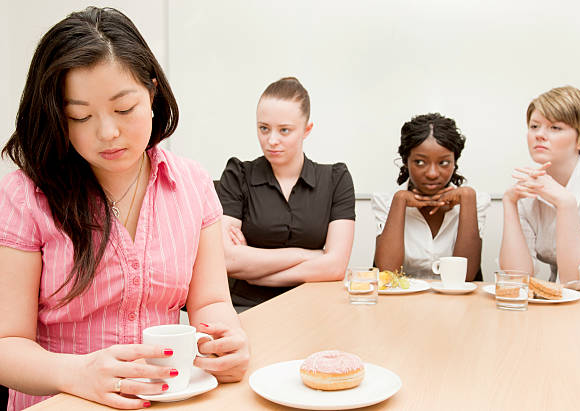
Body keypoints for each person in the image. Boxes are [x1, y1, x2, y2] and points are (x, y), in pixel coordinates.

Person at [0, 7, 248, 411]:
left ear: (151, 93)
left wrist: (227, 341)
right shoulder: (25, 196)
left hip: (168, 400)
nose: (107, 133)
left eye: (124, 108)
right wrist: (78, 373)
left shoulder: (191, 183)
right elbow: (6, 346)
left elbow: (211, 302)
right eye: (80, 116)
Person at [217, 77, 356, 310]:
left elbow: (335, 267)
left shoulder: (336, 179)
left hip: (314, 306)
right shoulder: (238, 175)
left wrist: (255, 270)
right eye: (264, 128)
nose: (272, 140)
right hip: (246, 308)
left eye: (284, 130)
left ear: (306, 130)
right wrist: (310, 255)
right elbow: (227, 259)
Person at [499, 86, 580, 293]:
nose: (539, 135)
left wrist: (565, 203)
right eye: (534, 126)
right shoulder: (528, 186)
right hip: (560, 304)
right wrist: (509, 202)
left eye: (555, 128)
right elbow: (516, 278)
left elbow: (574, 281)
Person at [373, 113, 490, 281]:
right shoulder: (385, 201)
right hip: (403, 303)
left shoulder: (475, 201)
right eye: (420, 162)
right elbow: (388, 274)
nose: (432, 174)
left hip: (456, 303)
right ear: (406, 161)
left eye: (443, 163)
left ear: (454, 162)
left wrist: (468, 198)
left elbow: (465, 277)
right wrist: (399, 201)